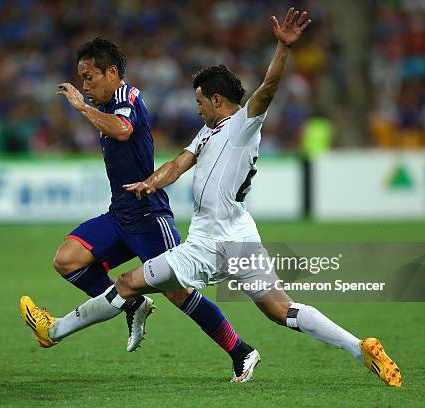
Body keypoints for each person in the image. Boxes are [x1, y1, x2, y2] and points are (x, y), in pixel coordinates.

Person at [20, 9, 403, 386]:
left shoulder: (242, 124)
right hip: (241, 236)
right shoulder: (209, 134)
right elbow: (179, 163)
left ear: (217, 100)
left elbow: (268, 88)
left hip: (208, 244)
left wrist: (283, 48)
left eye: (200, 101)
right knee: (280, 309)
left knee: (126, 286)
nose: (197, 107)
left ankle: (53, 332)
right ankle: (359, 348)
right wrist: (151, 182)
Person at [20, 37, 257, 378]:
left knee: (179, 294)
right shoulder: (105, 105)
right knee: (67, 258)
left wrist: (81, 107)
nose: (85, 86)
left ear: (112, 72)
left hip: (149, 215)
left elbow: (123, 130)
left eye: (89, 77)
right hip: (119, 214)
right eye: (82, 80)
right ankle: (133, 303)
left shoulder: (127, 96)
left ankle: (240, 351)